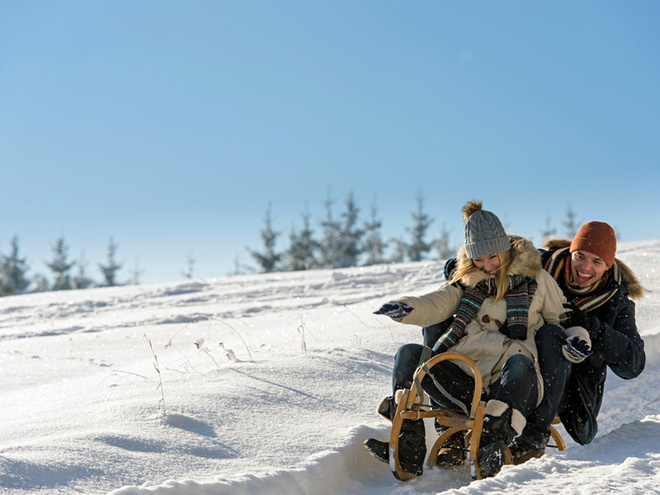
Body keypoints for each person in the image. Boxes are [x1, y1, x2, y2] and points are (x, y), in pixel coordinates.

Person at [364, 201, 590, 479]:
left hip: (513, 383)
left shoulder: (537, 279)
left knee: (520, 363)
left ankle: (491, 444)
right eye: (478, 260)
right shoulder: (466, 280)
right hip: (466, 379)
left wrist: (578, 338)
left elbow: (564, 320)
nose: (486, 266)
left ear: (505, 250)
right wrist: (406, 307)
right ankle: (408, 443)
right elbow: (437, 302)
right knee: (409, 354)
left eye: (492, 257)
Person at [507, 221, 645, 463]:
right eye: (580, 256)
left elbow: (633, 365)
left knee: (552, 335)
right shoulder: (540, 265)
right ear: (571, 251)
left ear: (608, 265)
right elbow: (485, 261)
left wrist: (595, 328)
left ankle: (533, 438)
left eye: (596, 261)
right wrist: (460, 265)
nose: (585, 267)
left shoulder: (615, 301)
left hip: (567, 388)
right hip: (515, 363)